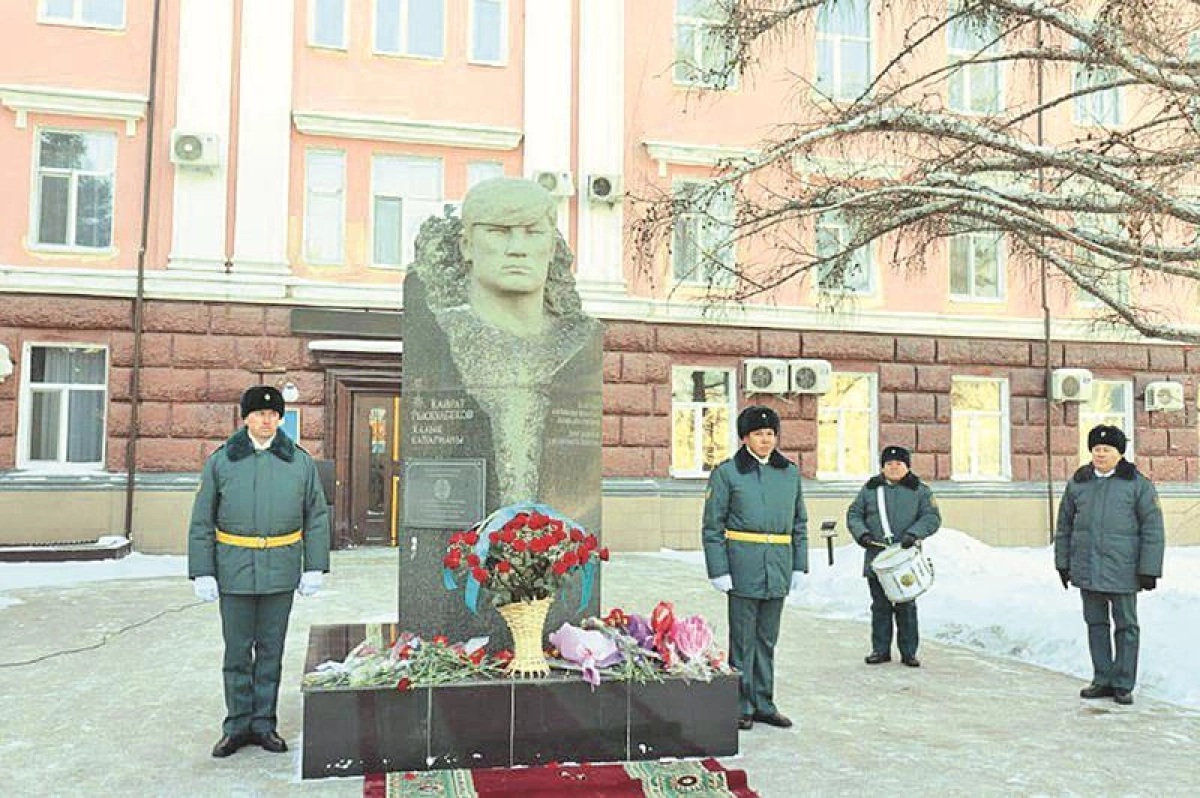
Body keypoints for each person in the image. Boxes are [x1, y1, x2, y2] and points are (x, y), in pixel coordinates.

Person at [408, 177, 602, 505]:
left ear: (551, 248)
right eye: (499, 231)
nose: (517, 248)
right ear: (467, 246)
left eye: (533, 232)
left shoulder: (579, 340)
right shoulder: (445, 330)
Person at [188, 386, 331, 757]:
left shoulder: (299, 462)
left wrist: (314, 566)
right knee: (237, 653)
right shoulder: (222, 461)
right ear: (246, 418)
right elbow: (202, 520)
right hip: (233, 570)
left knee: (270, 651)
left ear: (280, 419)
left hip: (280, 570)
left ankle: (264, 724)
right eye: (259, 414)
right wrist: (203, 571)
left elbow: (316, 516)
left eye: (273, 414)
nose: (266, 420)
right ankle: (237, 726)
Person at [702, 405, 808, 731]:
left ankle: (764, 703)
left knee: (767, 639)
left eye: (771, 434)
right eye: (759, 434)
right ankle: (741, 705)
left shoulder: (789, 473)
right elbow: (712, 526)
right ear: (745, 437)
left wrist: (799, 566)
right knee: (743, 640)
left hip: (778, 565)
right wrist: (719, 570)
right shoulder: (728, 474)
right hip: (743, 565)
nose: (766, 440)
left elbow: (799, 523)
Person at [1055, 424, 1164, 706]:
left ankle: (1123, 684)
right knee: (1096, 624)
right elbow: (1064, 526)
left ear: (1120, 453)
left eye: (1107, 449)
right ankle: (1102, 678)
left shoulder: (1138, 484)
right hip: (1087, 567)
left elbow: (1153, 529)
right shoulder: (1078, 483)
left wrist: (1149, 569)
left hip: (1123, 569)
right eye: (1096, 449)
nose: (1100, 454)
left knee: (1126, 626)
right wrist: (1063, 563)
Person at [846, 445, 940, 667]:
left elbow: (931, 517)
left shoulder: (920, 491)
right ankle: (880, 650)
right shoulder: (870, 489)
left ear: (907, 466)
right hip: (877, 558)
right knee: (880, 606)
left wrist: (914, 534)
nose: (894, 467)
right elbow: (854, 514)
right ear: (882, 467)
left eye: (899, 463)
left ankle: (909, 652)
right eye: (889, 464)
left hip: (905, 559)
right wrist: (863, 534)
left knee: (906, 606)